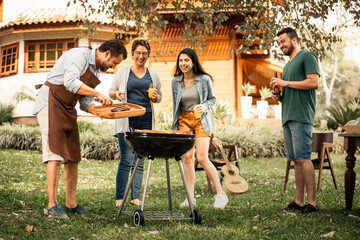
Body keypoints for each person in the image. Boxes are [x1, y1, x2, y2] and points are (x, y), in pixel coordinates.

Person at [33, 39, 127, 219]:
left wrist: (103, 110)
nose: (112, 67)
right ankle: (52, 205)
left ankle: (71, 204)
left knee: (73, 156)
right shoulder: (78, 56)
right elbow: (70, 82)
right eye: (114, 63)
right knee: (55, 154)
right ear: (107, 54)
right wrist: (98, 93)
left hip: (68, 108)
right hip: (50, 102)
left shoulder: (96, 71)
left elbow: (84, 103)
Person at [171, 48, 228, 209]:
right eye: (181, 60)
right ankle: (190, 198)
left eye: (186, 60)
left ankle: (221, 194)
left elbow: (212, 99)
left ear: (193, 62)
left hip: (201, 120)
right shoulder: (176, 81)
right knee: (188, 158)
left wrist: (204, 106)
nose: (183, 63)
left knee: (202, 158)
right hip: (184, 120)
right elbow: (177, 105)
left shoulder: (204, 79)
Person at [271, 27, 320, 214]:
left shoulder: (307, 56)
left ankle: (312, 203)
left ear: (294, 40)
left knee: (303, 158)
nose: (281, 45)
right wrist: (280, 96)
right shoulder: (287, 66)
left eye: (283, 41)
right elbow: (291, 90)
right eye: (279, 43)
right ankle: (299, 201)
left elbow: (313, 83)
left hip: (301, 117)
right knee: (296, 160)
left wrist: (285, 83)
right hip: (288, 117)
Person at [109, 39, 162, 207]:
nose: (141, 56)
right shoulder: (122, 72)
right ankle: (119, 198)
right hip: (127, 119)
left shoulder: (153, 75)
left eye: (144, 54)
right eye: (138, 53)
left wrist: (155, 97)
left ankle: (135, 197)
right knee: (126, 159)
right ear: (132, 54)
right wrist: (116, 94)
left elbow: (159, 96)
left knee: (140, 159)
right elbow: (111, 92)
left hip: (145, 120)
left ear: (148, 55)